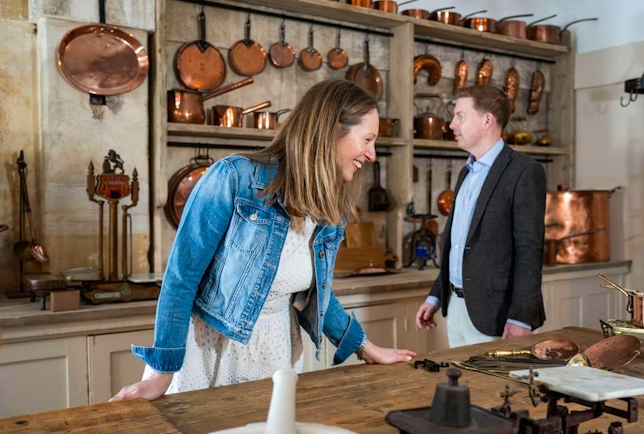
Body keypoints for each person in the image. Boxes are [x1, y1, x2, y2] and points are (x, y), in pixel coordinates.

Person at [111, 79, 416, 401]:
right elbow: (180, 279)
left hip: (276, 349)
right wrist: (161, 373)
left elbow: (316, 297)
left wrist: (365, 347)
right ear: (329, 131)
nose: (371, 155)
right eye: (367, 139)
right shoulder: (233, 178)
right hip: (210, 350)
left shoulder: (331, 207)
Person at [415, 85, 546, 348]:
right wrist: (436, 296)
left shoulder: (524, 172)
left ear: (487, 120)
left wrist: (521, 318)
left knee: (497, 390)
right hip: (456, 311)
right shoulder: (466, 172)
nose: (451, 124)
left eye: (460, 116)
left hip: (498, 316)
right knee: (462, 388)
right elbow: (458, 244)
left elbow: (529, 251)